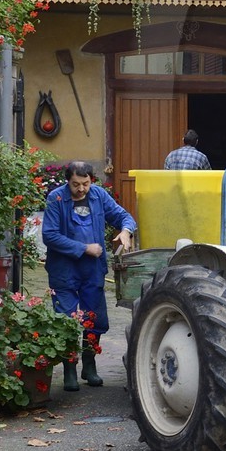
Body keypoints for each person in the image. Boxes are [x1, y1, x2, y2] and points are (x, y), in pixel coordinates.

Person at [41, 161, 136, 390]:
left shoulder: (99, 196)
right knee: (66, 320)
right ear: (68, 181)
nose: (81, 189)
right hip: (64, 269)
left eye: (85, 183)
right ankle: (69, 370)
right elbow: (49, 235)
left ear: (91, 180)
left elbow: (124, 217)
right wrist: (84, 248)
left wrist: (125, 231)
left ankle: (89, 365)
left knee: (94, 319)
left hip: (92, 270)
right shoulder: (56, 200)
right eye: (76, 184)